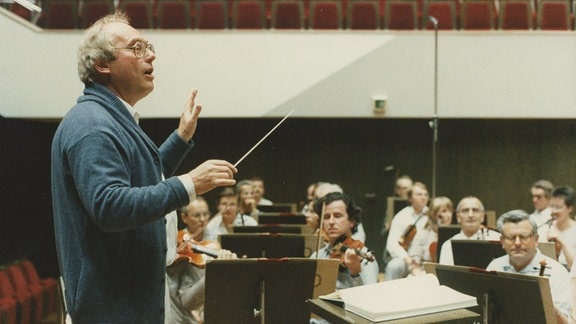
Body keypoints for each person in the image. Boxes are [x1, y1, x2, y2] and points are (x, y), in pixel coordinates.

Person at [51, 12, 237, 322]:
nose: (150, 54)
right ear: (102, 64)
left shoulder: (108, 118)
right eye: (136, 48)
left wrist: (179, 139)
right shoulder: (93, 126)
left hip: (125, 301)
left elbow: (141, 180)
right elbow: (111, 206)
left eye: (148, 46)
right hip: (113, 308)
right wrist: (188, 184)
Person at [487, 210, 573, 324]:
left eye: (523, 237)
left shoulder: (557, 272)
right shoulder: (494, 266)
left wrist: (550, 307)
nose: (517, 243)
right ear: (502, 241)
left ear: (536, 239)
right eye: (511, 237)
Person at [167, 197, 236, 323]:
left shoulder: (214, 243)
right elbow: (188, 302)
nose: (203, 220)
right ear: (184, 218)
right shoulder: (177, 243)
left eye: (205, 214)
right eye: (197, 215)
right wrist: (214, 271)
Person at [310, 192, 379, 289]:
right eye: (326, 217)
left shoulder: (363, 258)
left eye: (337, 216)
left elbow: (370, 298)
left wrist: (355, 272)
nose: (331, 222)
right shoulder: (317, 255)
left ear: (352, 221)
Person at [385, 182, 429, 280]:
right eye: (419, 194)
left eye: (425, 194)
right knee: (393, 266)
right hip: (407, 259)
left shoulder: (431, 215)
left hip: (426, 259)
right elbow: (392, 244)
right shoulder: (401, 216)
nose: (423, 197)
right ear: (410, 198)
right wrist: (407, 259)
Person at [438, 196, 500, 265]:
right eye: (465, 211)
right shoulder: (448, 245)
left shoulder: (498, 240)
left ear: (482, 217)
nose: (470, 215)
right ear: (458, 217)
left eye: (475, 210)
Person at [547, 186, 576, 270]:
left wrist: (561, 241)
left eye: (558, 207)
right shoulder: (545, 228)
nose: (553, 211)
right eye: (551, 206)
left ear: (570, 208)